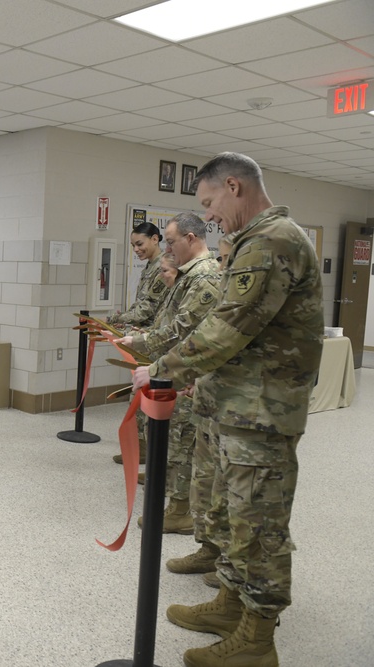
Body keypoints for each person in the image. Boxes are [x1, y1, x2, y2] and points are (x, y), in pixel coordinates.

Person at [132, 152, 323, 667]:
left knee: (258, 526)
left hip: (261, 413)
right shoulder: (250, 240)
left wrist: (165, 367)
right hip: (237, 406)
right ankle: (231, 604)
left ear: (234, 187)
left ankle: (258, 639)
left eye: (210, 203)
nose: (209, 215)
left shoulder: (272, 241)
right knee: (237, 517)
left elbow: (229, 326)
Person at [117, 214, 221, 535]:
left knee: (182, 443)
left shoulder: (203, 278)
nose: (168, 248)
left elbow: (182, 329)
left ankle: (180, 511)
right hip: (176, 368)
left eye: (172, 242)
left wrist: (140, 341)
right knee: (176, 441)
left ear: (191, 238)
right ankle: (178, 505)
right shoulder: (188, 275)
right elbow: (169, 320)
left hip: (188, 372)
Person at [108, 221, 167, 465]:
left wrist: (117, 319)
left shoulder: (163, 267)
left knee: (145, 396)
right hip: (144, 337)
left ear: (155, 239)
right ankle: (142, 448)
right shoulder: (150, 267)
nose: (136, 250)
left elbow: (148, 308)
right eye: (133, 245)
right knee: (140, 395)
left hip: (155, 341)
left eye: (140, 244)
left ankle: (149, 452)